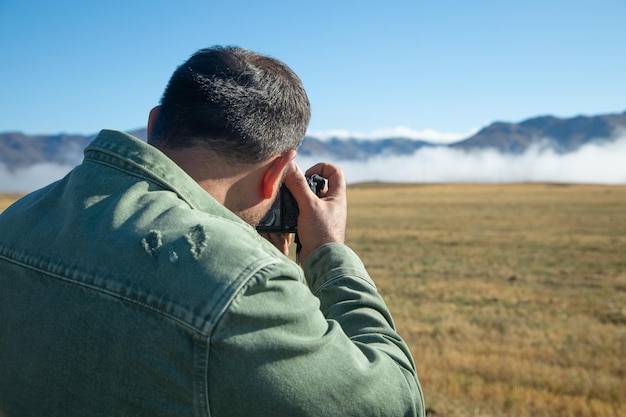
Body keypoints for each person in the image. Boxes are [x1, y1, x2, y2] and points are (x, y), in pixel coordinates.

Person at [0, 46, 425, 416]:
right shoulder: (243, 282)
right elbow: (395, 403)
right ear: (278, 170)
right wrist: (329, 252)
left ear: (153, 125)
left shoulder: (18, 218)